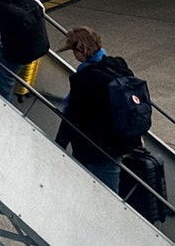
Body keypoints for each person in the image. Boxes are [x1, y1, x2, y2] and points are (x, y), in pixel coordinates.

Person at [55, 26, 142, 193]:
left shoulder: (84, 78)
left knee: (105, 192)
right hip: (121, 139)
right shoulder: (118, 65)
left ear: (80, 51)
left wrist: (59, 144)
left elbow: (72, 116)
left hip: (96, 147)